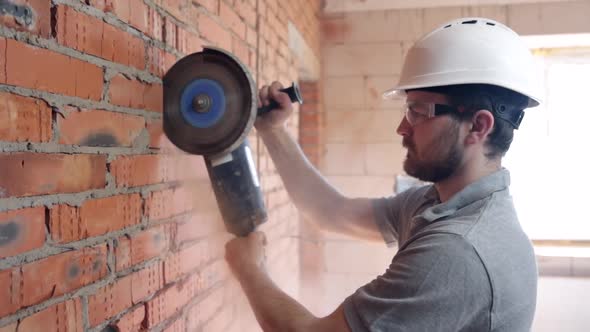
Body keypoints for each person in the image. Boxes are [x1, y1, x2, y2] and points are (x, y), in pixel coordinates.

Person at [225, 17, 541, 332]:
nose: (402, 128)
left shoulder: (457, 252)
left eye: (418, 111)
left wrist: (249, 267)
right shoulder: (437, 204)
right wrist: (272, 130)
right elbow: (330, 212)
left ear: (477, 126)